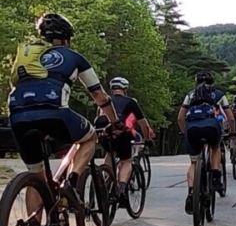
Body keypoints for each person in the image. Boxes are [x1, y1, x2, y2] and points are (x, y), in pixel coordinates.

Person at [8, 13, 120, 210]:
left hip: (18, 117)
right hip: (54, 113)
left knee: (37, 177)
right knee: (89, 138)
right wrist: (115, 122)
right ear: (66, 39)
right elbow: (100, 96)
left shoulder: (26, 56)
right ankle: (72, 182)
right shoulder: (74, 57)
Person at [178, 71, 236, 214]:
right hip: (211, 125)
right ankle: (216, 175)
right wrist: (233, 131)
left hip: (192, 127)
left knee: (193, 162)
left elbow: (180, 117)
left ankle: (192, 192)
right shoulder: (218, 94)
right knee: (215, 146)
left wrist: (185, 132)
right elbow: (230, 117)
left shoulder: (190, 95)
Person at [95, 77, 152, 205]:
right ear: (125, 89)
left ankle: (105, 179)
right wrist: (147, 139)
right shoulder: (131, 102)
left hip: (103, 133)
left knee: (109, 153)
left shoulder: (104, 101)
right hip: (123, 135)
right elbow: (144, 125)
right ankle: (121, 189)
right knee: (126, 160)